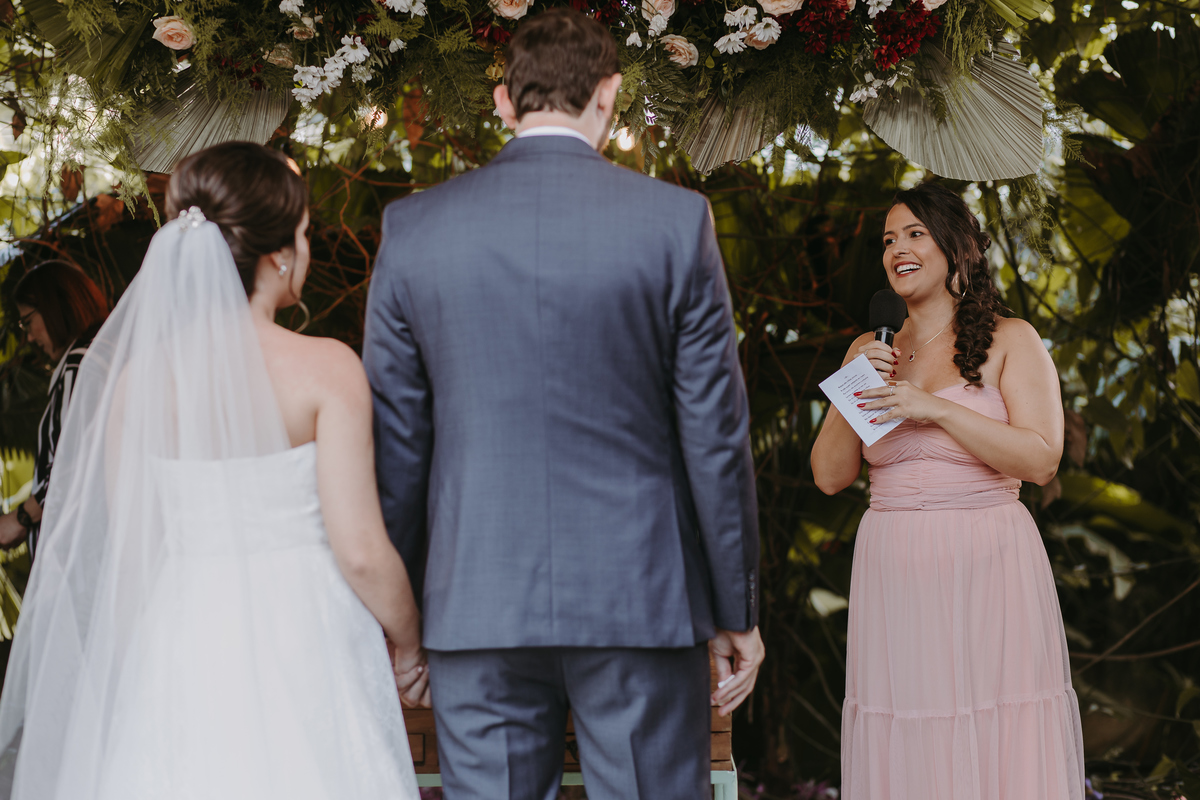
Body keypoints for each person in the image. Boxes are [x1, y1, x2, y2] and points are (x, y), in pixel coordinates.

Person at [364, 8, 764, 800]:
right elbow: (715, 437)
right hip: (640, 597)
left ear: (505, 104)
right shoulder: (675, 224)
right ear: (609, 96)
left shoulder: (414, 230)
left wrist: (400, 623)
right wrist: (736, 610)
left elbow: (396, 445)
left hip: (472, 599)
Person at [0, 142, 425, 800]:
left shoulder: (136, 381)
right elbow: (363, 552)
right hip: (306, 634)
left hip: (181, 633)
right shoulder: (326, 367)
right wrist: (410, 643)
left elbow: (134, 554)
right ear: (281, 251)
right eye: (307, 233)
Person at [810, 182, 1084, 799]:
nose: (897, 250)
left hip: (988, 562)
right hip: (894, 567)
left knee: (993, 721)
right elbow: (829, 476)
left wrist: (932, 408)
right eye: (888, 240)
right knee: (908, 724)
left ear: (957, 248)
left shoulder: (1013, 338)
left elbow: (1042, 459)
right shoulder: (872, 347)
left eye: (914, 234)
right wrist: (852, 386)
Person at [0, 261, 108, 560]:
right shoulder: (101, 356)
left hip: (81, 558)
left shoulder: (79, 368)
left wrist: (20, 519)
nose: (30, 338)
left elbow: (72, 467)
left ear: (54, 306)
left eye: (27, 321)